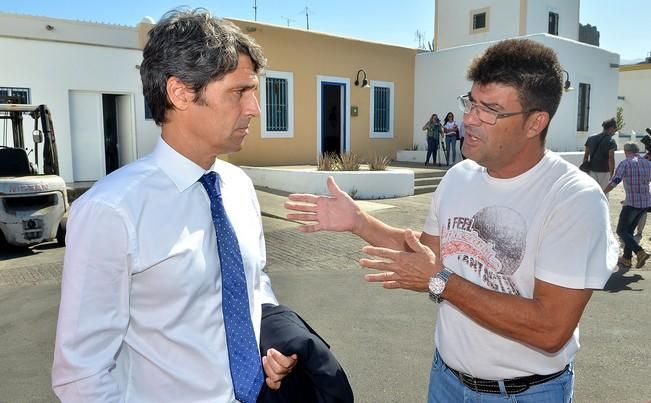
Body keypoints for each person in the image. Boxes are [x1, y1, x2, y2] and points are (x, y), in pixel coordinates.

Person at [285, 38, 618, 402]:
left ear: (535, 122)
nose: (469, 119)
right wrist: (359, 221)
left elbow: (550, 328)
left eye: (490, 110)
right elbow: (429, 254)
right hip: (446, 381)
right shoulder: (460, 177)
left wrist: (441, 282)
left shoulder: (573, 198)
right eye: (471, 103)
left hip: (525, 394)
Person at [52, 9, 299, 402]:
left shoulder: (238, 187)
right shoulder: (111, 210)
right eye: (239, 92)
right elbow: (82, 374)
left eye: (254, 91)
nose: (254, 108)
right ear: (180, 92)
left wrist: (272, 342)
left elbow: (254, 283)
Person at [603, 142, 651, 269]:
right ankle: (626, 259)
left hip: (631, 203)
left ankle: (639, 252)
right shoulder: (648, 163)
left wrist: (602, 192)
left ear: (626, 151)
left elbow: (615, 181)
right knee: (629, 231)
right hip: (645, 202)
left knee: (621, 230)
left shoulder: (626, 163)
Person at [583, 118, 618, 190]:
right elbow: (611, 158)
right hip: (604, 171)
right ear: (611, 128)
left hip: (591, 170)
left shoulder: (591, 138)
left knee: (592, 191)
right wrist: (612, 173)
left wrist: (586, 169)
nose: (615, 132)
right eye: (615, 129)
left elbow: (586, 156)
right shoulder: (611, 141)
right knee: (604, 192)